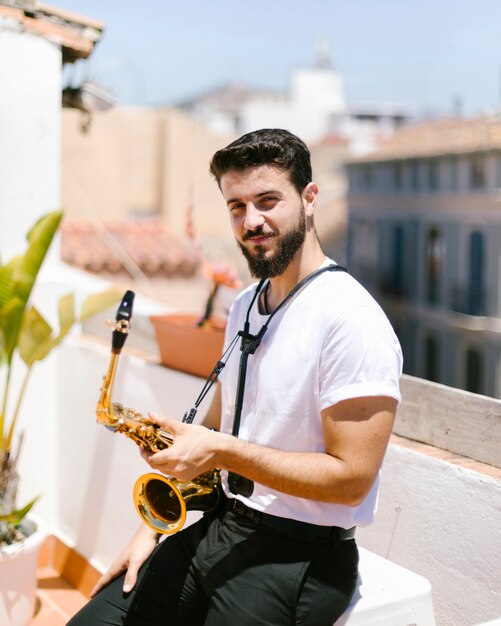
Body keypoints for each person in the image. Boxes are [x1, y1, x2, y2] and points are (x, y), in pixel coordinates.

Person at [67, 128, 402, 626]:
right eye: (236, 206)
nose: (252, 221)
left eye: (268, 200)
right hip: (224, 525)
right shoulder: (246, 303)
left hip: (300, 558)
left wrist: (221, 451)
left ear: (309, 198)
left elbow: (352, 479)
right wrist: (152, 528)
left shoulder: (351, 318)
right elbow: (220, 430)